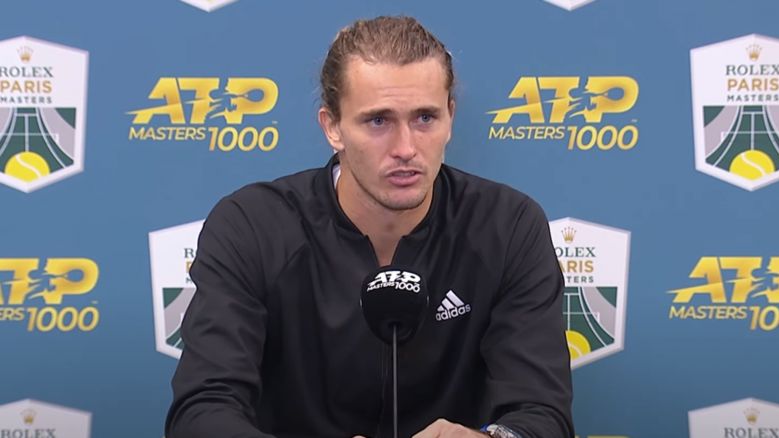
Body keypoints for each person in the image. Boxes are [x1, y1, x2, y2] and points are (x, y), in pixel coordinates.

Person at [165, 16, 573, 438]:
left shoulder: (508, 227)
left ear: (450, 117)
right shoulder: (252, 227)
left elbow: (542, 415)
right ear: (332, 127)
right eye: (378, 121)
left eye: (425, 118)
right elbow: (202, 413)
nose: (405, 148)